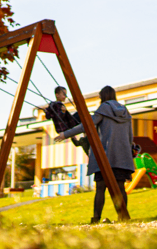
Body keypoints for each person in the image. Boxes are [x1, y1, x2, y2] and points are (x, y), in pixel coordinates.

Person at [55, 85, 134, 223]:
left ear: (102, 97)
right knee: (121, 188)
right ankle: (123, 217)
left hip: (105, 156)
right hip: (122, 156)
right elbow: (130, 136)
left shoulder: (103, 109)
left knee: (100, 188)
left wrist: (65, 134)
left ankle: (96, 219)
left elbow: (86, 125)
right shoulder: (125, 111)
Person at [40, 87, 89, 154]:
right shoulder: (57, 105)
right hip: (68, 125)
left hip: (66, 125)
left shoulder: (53, 105)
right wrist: (63, 112)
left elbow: (49, 116)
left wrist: (47, 111)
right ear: (57, 95)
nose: (65, 96)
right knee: (83, 115)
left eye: (65, 94)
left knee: (80, 115)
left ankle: (80, 135)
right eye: (63, 94)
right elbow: (59, 117)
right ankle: (86, 133)